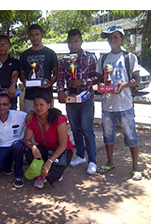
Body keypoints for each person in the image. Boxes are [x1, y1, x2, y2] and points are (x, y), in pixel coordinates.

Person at [96, 25, 142, 181]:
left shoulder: (130, 57)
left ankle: (135, 167)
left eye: (115, 36)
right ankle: (110, 162)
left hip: (125, 104)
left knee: (131, 135)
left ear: (122, 38)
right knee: (108, 136)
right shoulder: (103, 58)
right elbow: (99, 79)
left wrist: (124, 85)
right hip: (108, 104)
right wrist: (102, 86)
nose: (112, 40)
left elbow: (137, 79)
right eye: (110, 37)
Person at [56, 29, 99, 175]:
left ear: (81, 41)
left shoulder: (91, 58)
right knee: (75, 128)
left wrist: (82, 81)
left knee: (87, 129)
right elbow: (60, 79)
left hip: (86, 97)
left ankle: (92, 160)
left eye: (75, 41)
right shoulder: (64, 60)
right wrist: (60, 91)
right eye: (70, 41)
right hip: (70, 98)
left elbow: (97, 78)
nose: (73, 44)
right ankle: (81, 155)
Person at [23, 92, 73, 189]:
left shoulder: (59, 119)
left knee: (52, 176)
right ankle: (41, 174)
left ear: (49, 105)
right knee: (30, 153)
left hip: (62, 151)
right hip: (46, 149)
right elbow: (26, 140)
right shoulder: (32, 119)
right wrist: (32, 147)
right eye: (36, 105)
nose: (38, 108)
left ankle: (53, 170)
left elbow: (63, 145)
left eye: (42, 105)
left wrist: (49, 161)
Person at [19, 24, 59, 112]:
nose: (34, 37)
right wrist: (24, 81)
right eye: (32, 35)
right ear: (29, 36)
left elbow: (56, 73)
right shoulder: (25, 55)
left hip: (46, 96)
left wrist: (50, 83)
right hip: (30, 96)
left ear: (42, 35)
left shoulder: (50, 53)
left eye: (37, 34)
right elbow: (22, 73)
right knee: (30, 122)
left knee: (47, 123)